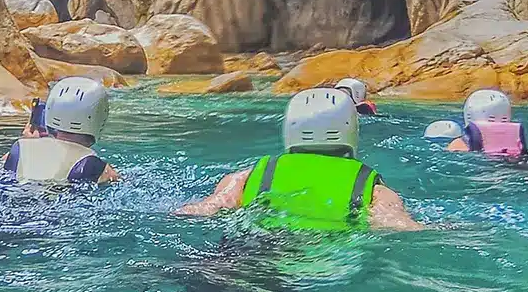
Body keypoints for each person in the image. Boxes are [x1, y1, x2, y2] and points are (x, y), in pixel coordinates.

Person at [177, 88, 422, 230]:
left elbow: (203, 210)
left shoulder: (246, 177)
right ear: (351, 129)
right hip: (322, 263)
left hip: (250, 251)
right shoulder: (373, 191)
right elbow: (400, 227)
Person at [3, 77, 121, 183]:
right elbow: (119, 180)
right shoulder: (93, 165)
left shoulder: (19, 148)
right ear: (99, 117)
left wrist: (32, 142)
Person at [445, 88, 528, 157]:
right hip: (516, 164)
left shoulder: (460, 144)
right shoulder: (515, 141)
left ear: (468, 115)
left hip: (483, 169)